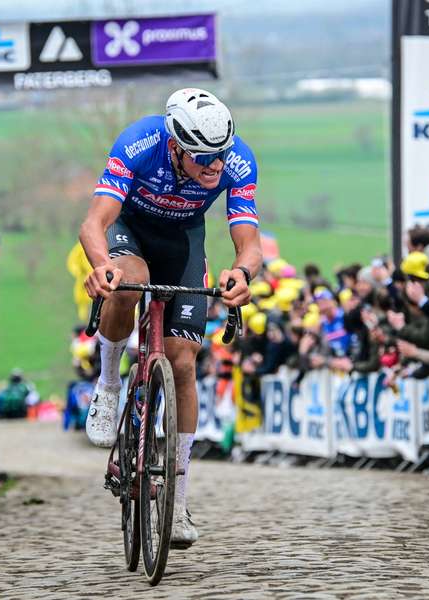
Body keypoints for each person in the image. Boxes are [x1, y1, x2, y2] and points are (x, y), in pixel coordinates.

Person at [78, 88, 261, 547]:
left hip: (183, 241)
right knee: (126, 281)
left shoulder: (236, 160)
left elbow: (249, 241)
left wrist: (241, 273)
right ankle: (109, 384)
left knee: (182, 362)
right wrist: (101, 264)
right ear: (176, 146)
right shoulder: (139, 142)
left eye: (220, 157)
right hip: (131, 232)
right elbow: (94, 224)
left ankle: (177, 504)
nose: (215, 167)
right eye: (204, 159)